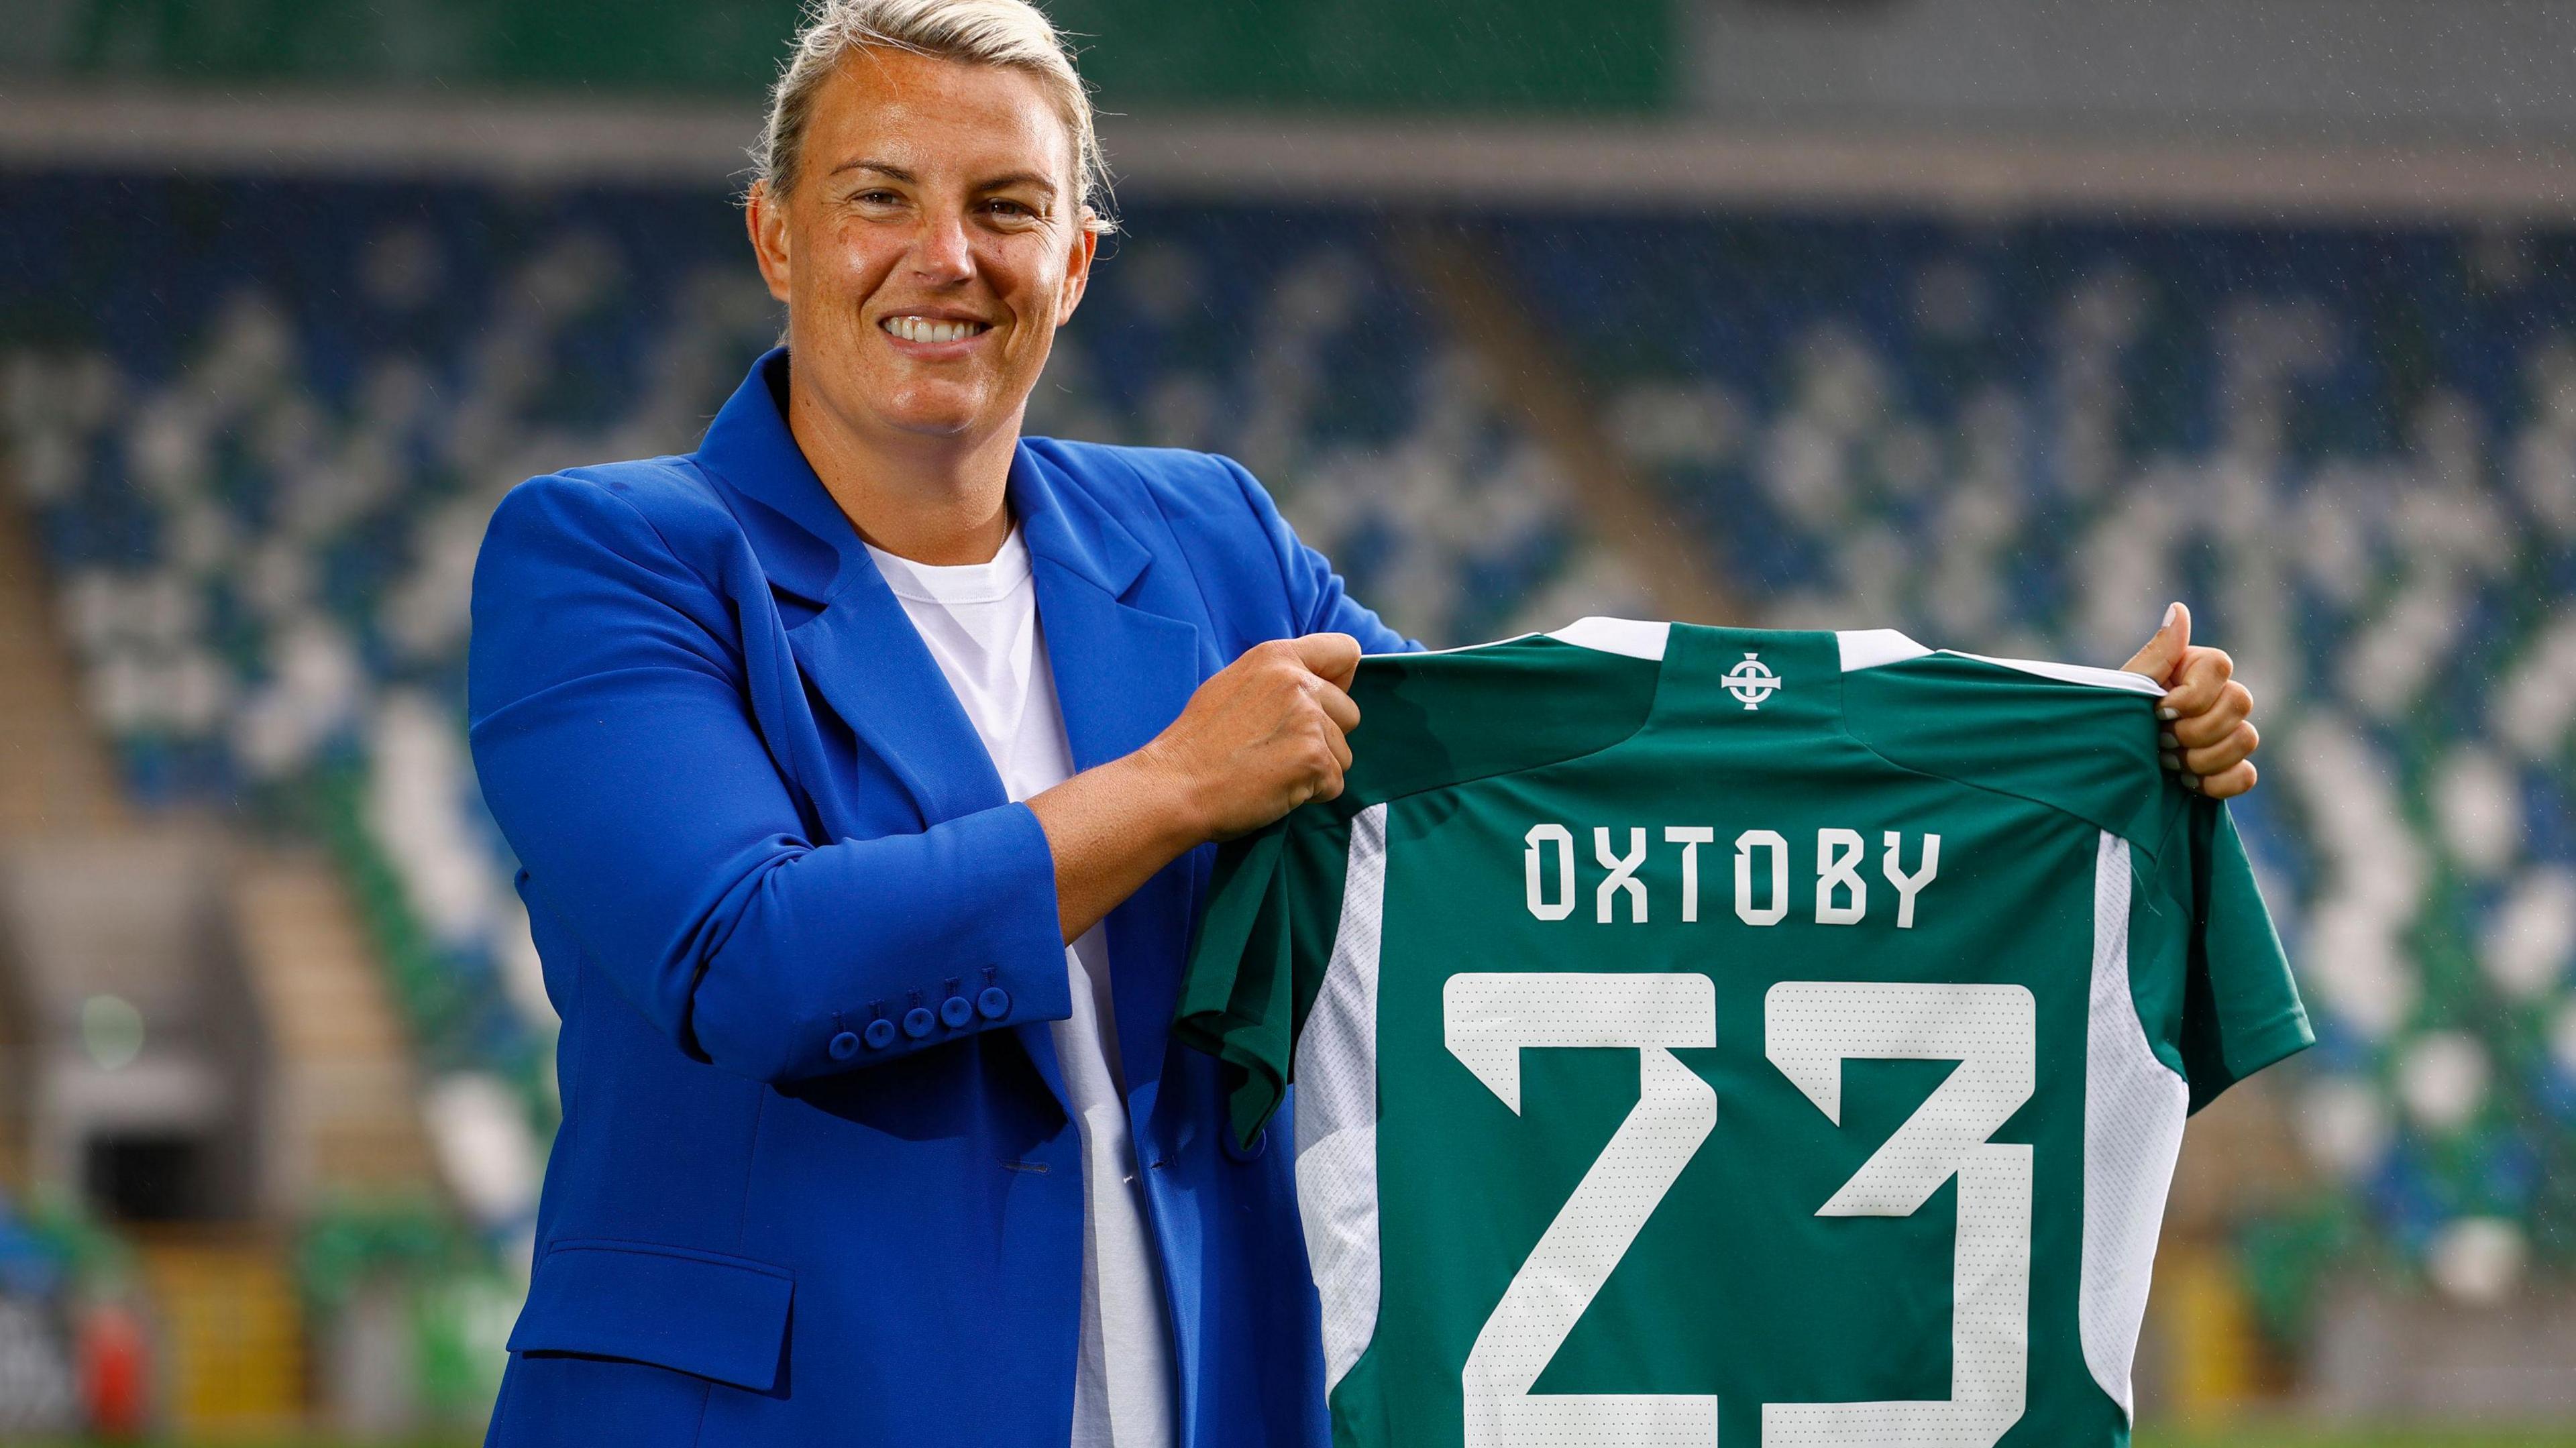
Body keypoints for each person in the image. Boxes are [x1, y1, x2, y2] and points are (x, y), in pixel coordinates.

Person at [464, 2, 2262, 1445]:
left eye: (1008, 206)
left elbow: (1519, 781)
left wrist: (2047, 753)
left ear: (1077, 258)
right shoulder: (612, 557)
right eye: (881, 194)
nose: (947, 255)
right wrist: (1173, 790)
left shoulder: (1206, 538)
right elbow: (754, 961)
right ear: (778, 232)